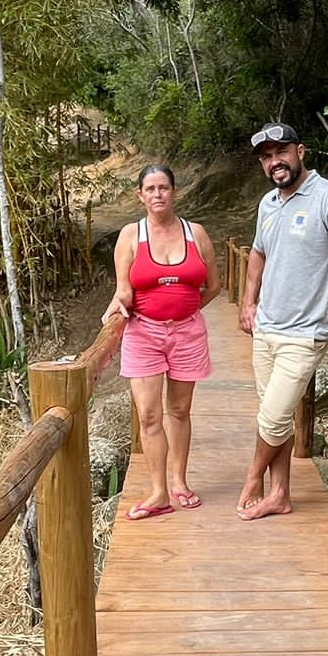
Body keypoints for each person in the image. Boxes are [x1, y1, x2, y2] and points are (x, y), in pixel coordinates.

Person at [236, 122, 328, 521]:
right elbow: (258, 253)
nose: (274, 162)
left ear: (300, 151)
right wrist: (248, 302)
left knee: (274, 417)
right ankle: (279, 493)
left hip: (304, 332)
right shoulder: (268, 204)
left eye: (281, 152)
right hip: (267, 328)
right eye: (265, 157)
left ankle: (252, 478)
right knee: (273, 417)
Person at [102, 163, 220, 520]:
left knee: (180, 410)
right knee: (149, 414)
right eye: (150, 189)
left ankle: (180, 481)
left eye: (164, 187)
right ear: (140, 195)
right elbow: (124, 289)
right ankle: (158, 491)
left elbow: (213, 285)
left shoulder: (195, 233)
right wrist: (116, 310)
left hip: (187, 332)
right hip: (143, 333)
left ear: (174, 192)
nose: (158, 194)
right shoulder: (130, 236)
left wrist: (182, 310)